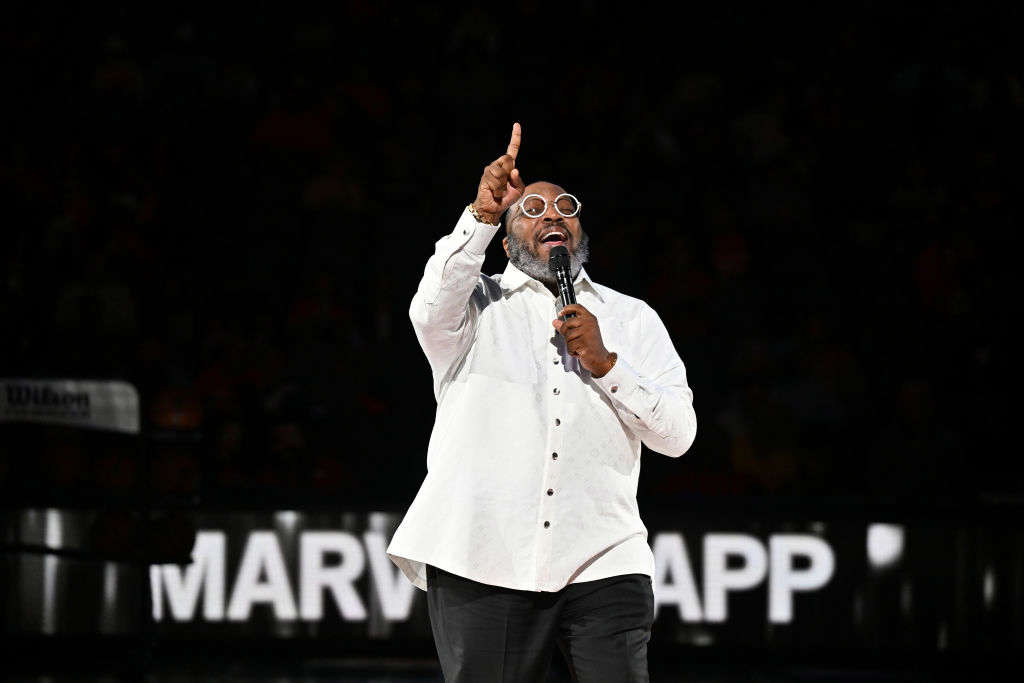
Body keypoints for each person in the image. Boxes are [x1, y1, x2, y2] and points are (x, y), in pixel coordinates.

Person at [387, 123, 697, 681]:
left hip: (604, 555)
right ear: (507, 245)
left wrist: (607, 364)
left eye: (564, 207)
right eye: (530, 209)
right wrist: (482, 214)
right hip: (484, 554)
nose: (552, 215)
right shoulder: (474, 306)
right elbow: (428, 306)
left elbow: (678, 436)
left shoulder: (631, 318)